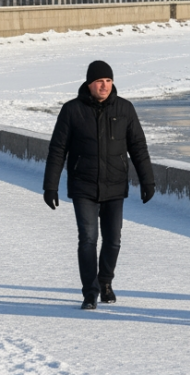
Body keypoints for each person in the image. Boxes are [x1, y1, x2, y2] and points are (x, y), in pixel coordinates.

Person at [43, 60, 156, 310]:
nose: (104, 86)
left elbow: (138, 147)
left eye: (108, 81)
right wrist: (50, 186)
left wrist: (147, 180)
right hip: (83, 185)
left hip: (115, 185)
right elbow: (57, 150)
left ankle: (105, 281)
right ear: (89, 84)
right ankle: (90, 292)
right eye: (99, 81)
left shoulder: (125, 109)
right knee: (88, 239)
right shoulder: (72, 110)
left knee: (113, 240)